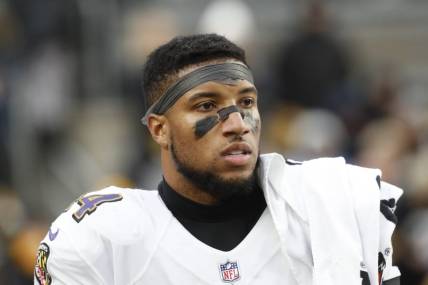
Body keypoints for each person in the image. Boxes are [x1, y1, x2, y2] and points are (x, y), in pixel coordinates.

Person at [34, 34, 402, 285]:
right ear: (159, 129)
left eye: (246, 102)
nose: (237, 124)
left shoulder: (329, 205)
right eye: (207, 106)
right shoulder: (101, 237)